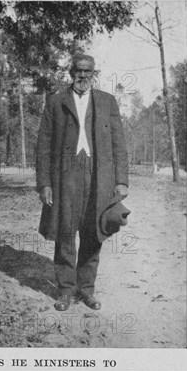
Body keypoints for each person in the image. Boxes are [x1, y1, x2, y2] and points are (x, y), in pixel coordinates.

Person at [35, 54, 128, 311]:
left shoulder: (107, 102)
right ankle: (65, 290)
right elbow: (42, 145)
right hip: (65, 176)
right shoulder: (55, 102)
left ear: (94, 73)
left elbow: (119, 143)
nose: (83, 75)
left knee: (93, 230)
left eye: (88, 71)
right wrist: (44, 183)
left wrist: (121, 181)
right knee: (65, 230)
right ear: (70, 72)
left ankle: (86, 290)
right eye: (78, 70)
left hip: (98, 176)